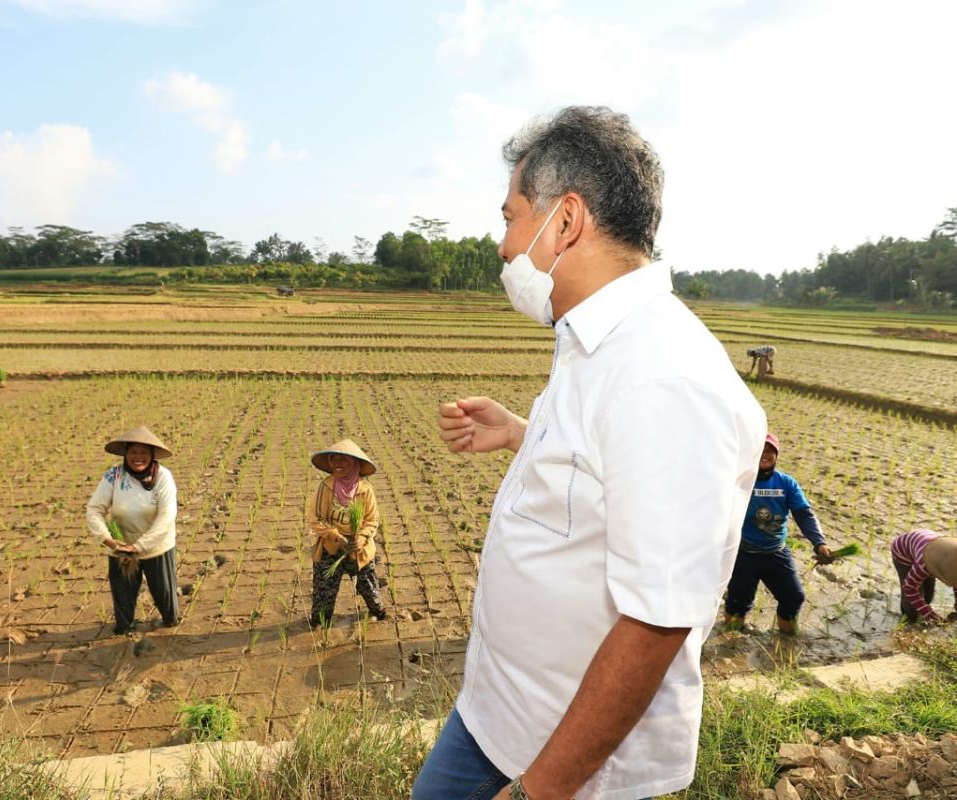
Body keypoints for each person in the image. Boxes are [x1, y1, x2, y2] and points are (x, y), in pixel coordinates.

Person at [415, 107, 766, 800]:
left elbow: (657, 620)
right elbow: (603, 465)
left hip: (572, 761)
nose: (502, 243)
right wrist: (520, 432)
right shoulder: (591, 342)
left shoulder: (662, 374)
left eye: (512, 216)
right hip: (499, 714)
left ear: (565, 220)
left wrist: (538, 791)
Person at [722, 432, 833, 636]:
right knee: (738, 601)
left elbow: (803, 514)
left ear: (776, 455)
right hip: (744, 553)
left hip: (775, 552)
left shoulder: (786, 483)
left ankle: (787, 640)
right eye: (760, 451)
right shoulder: (740, 481)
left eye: (770, 451)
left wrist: (819, 542)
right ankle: (729, 642)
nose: (765, 455)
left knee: (794, 596)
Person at [86, 426, 179, 635]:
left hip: (156, 547)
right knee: (123, 599)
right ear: (126, 454)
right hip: (120, 546)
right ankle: (124, 628)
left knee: (165, 598)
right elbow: (94, 509)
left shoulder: (164, 477)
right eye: (133, 452)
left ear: (152, 455)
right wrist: (107, 539)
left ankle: (169, 623)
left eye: (143, 453)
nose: (138, 457)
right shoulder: (113, 476)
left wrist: (139, 546)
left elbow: (166, 517)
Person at [306, 438, 387, 628]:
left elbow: (372, 519)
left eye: (343, 460)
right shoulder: (325, 487)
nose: (337, 464)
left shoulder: (365, 490)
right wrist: (337, 537)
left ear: (354, 464)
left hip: (358, 548)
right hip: (331, 546)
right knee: (323, 589)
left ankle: (379, 613)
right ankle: (319, 624)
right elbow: (316, 518)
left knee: (368, 586)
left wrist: (361, 537)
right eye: (334, 460)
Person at [891, 529, 957, 624]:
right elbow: (909, 587)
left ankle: (921, 616)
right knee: (912, 606)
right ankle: (909, 621)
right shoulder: (923, 565)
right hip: (903, 553)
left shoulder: (951, 560)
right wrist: (928, 613)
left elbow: (955, 581)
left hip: (928, 547)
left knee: (928, 595)